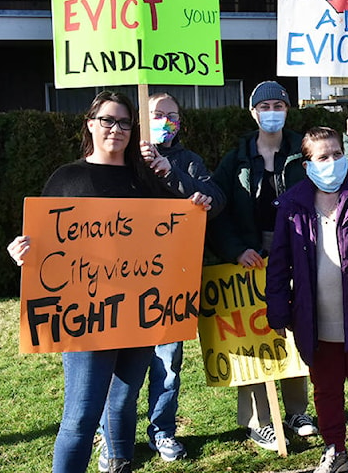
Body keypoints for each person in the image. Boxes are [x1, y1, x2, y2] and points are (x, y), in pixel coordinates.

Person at [6, 91, 214, 473]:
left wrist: (194, 206)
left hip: (137, 315)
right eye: (107, 120)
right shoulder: (67, 178)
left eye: (124, 123)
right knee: (81, 416)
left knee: (122, 403)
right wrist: (21, 252)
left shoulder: (145, 180)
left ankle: (117, 464)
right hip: (86, 320)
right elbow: (44, 242)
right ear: (90, 124)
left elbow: (177, 230)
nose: (116, 129)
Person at [206, 80, 348, 452]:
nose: (272, 113)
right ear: (253, 112)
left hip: (301, 252)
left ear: (288, 109)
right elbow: (219, 210)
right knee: (253, 338)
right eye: (265, 107)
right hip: (250, 257)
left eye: (279, 105)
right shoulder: (236, 158)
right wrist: (235, 251)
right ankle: (259, 420)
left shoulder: (304, 150)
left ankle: (297, 410)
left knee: (297, 328)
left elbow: (347, 178)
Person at [96, 92, 227, 469]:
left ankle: (162, 430)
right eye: (156, 114)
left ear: (181, 123)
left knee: (167, 364)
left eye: (172, 115)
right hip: (122, 283)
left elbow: (215, 201)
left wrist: (172, 173)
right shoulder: (121, 160)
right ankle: (111, 437)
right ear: (141, 117)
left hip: (172, 281)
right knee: (117, 366)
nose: (165, 120)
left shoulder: (189, 162)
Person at [267, 125, 348, 473]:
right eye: (323, 156)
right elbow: (278, 262)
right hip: (314, 319)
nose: (333, 161)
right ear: (307, 165)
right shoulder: (292, 203)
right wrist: (278, 314)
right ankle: (335, 449)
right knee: (326, 390)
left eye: (337, 153)